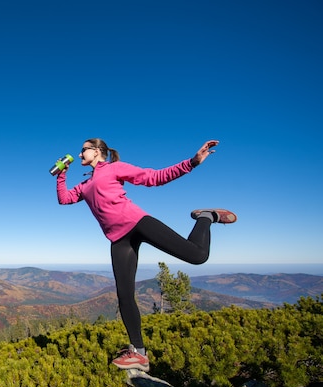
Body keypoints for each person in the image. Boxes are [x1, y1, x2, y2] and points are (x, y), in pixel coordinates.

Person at [55, 138, 236, 372]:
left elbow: (154, 177)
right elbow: (64, 199)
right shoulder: (85, 185)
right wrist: (62, 174)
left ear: (98, 151)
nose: (79, 155)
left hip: (138, 222)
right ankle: (139, 353)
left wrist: (192, 162)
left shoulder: (114, 169)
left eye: (83, 151)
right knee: (124, 295)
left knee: (198, 256)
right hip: (118, 239)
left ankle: (206, 217)